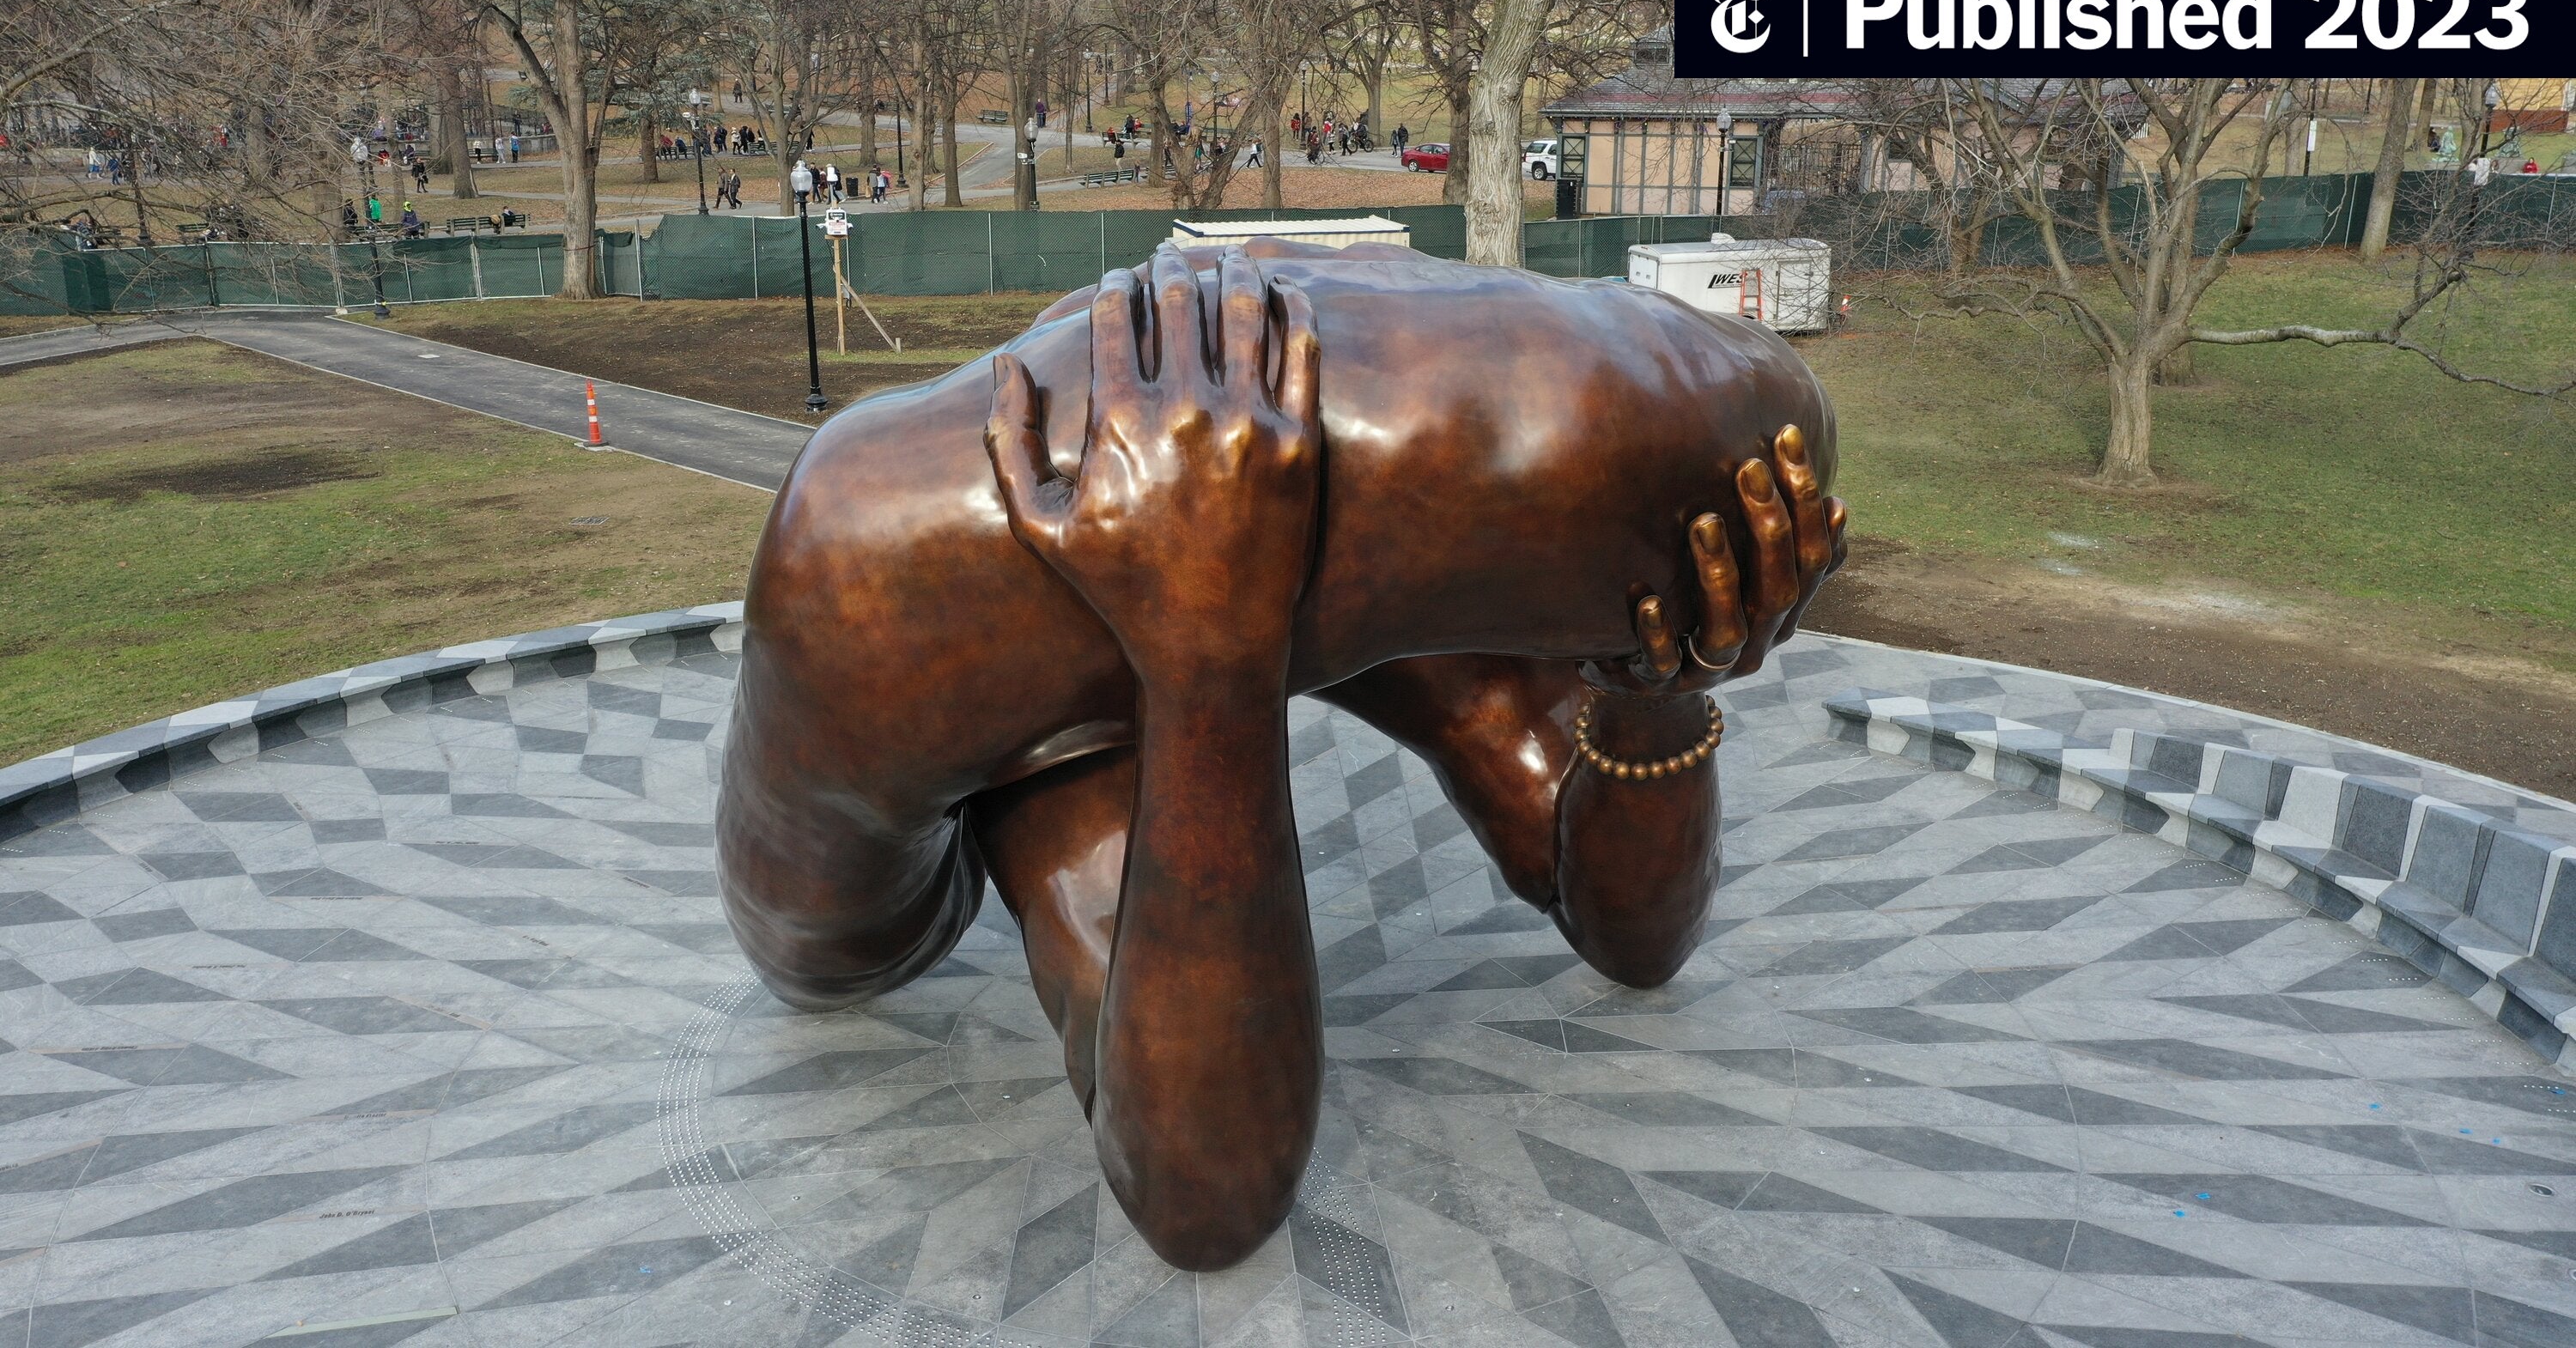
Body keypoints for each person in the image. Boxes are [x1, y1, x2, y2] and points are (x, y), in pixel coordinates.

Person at [720, 240, 1845, 1271]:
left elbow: (1637, 942)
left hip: (1190, 526)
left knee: (1261, 552)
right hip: (886, 617)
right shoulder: (876, 590)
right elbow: (1205, 1206)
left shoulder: (1514, 487)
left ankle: (1203, 617)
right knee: (845, 949)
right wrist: (1212, 660)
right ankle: (1175, 631)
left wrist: (1655, 690)